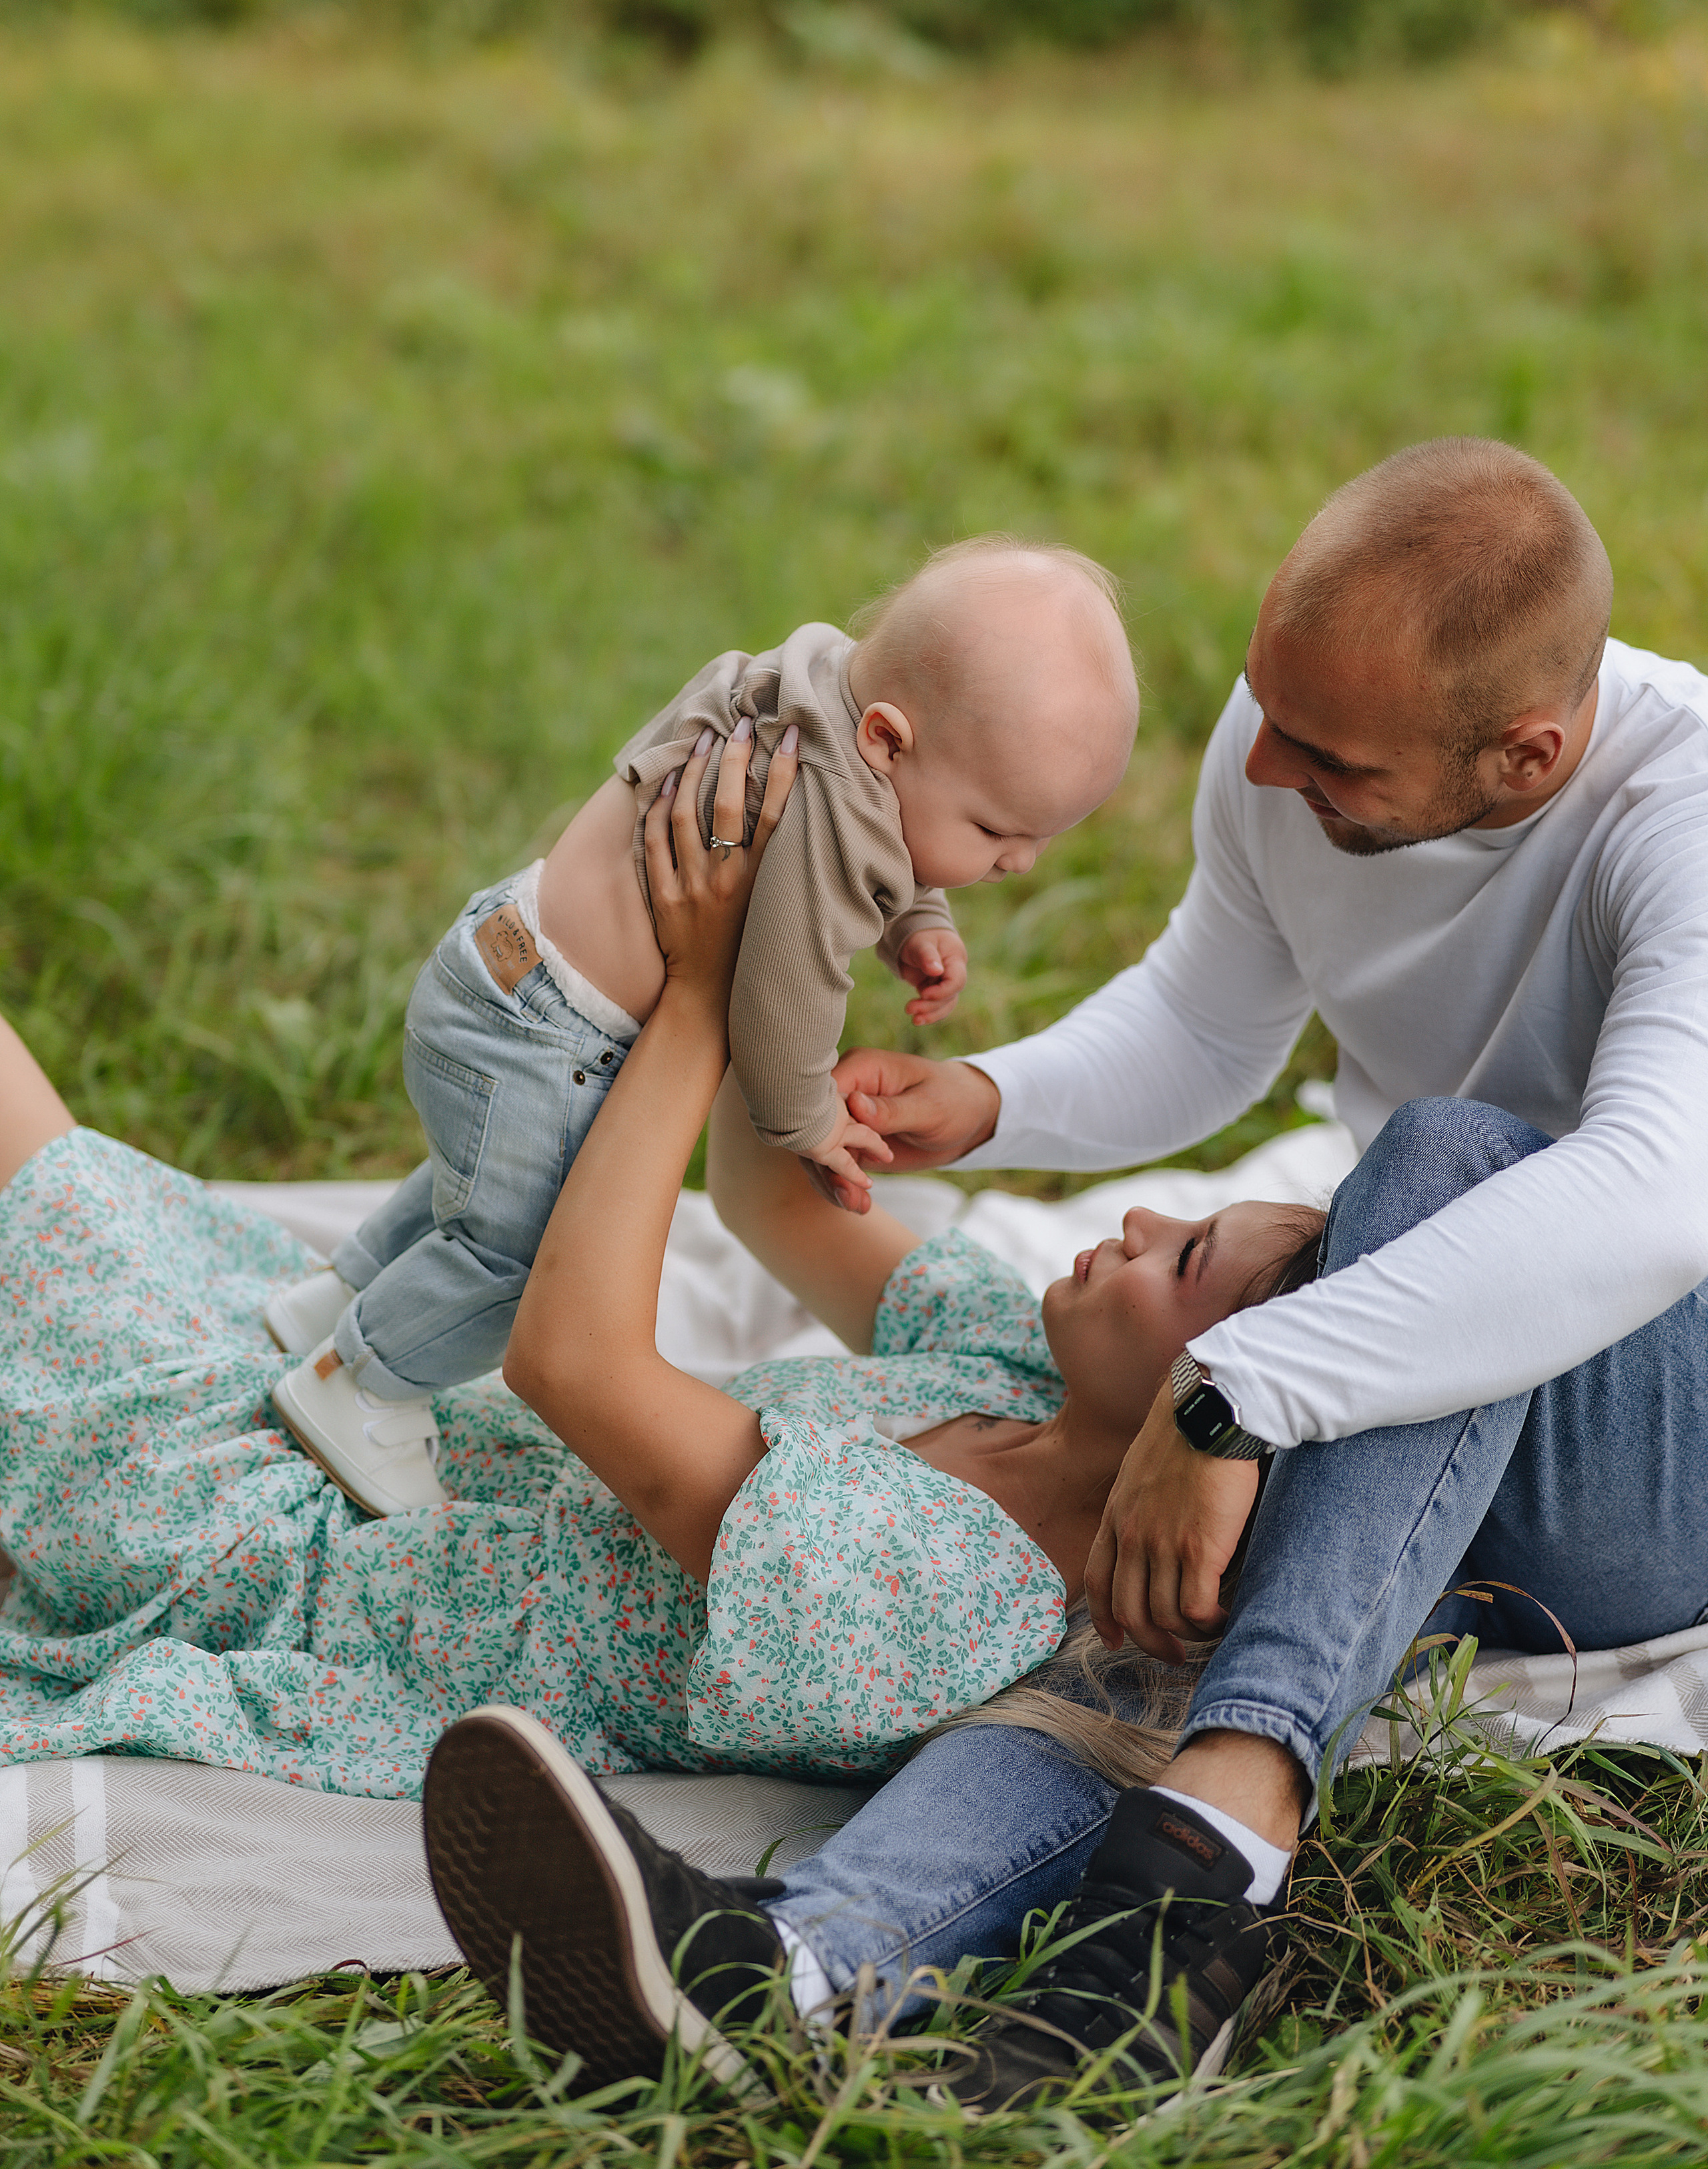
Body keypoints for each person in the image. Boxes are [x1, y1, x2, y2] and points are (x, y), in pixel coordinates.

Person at [420, 434, 1708, 2114]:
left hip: (1650, 1442)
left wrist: (1233, 1393)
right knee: (1126, 1610)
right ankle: (798, 1963)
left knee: (1443, 1159)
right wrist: (990, 1099)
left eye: (1324, 757)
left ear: (1525, 751)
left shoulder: (1677, 815)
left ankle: (1218, 1847)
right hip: (1403, 1404)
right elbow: (1209, 1019)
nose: (1261, 767)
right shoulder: (1296, 730)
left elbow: (1645, 1203)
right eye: (1262, 707)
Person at [0, 726, 1318, 1852]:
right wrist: (810, 931)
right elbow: (767, 1200)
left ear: (1217, 1419)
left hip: (310, 1584)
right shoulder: (1018, 1371)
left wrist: (700, 993)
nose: (1140, 1216)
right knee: (111, 1231)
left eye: (1185, 1256)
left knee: (60, 1199)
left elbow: (568, 1360)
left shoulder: (937, 1593)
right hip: (388, 1444)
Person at [267, 536, 1138, 1517]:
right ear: (888, 742)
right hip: (548, 1034)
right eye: (996, 831)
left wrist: (915, 919)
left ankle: (338, 1296)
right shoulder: (836, 814)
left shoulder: (812, 687)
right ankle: (360, 1383)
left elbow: (880, 842)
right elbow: (780, 992)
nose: (1020, 862)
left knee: (489, 1180)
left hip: (500, 959)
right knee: (526, 1247)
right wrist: (807, 1118)